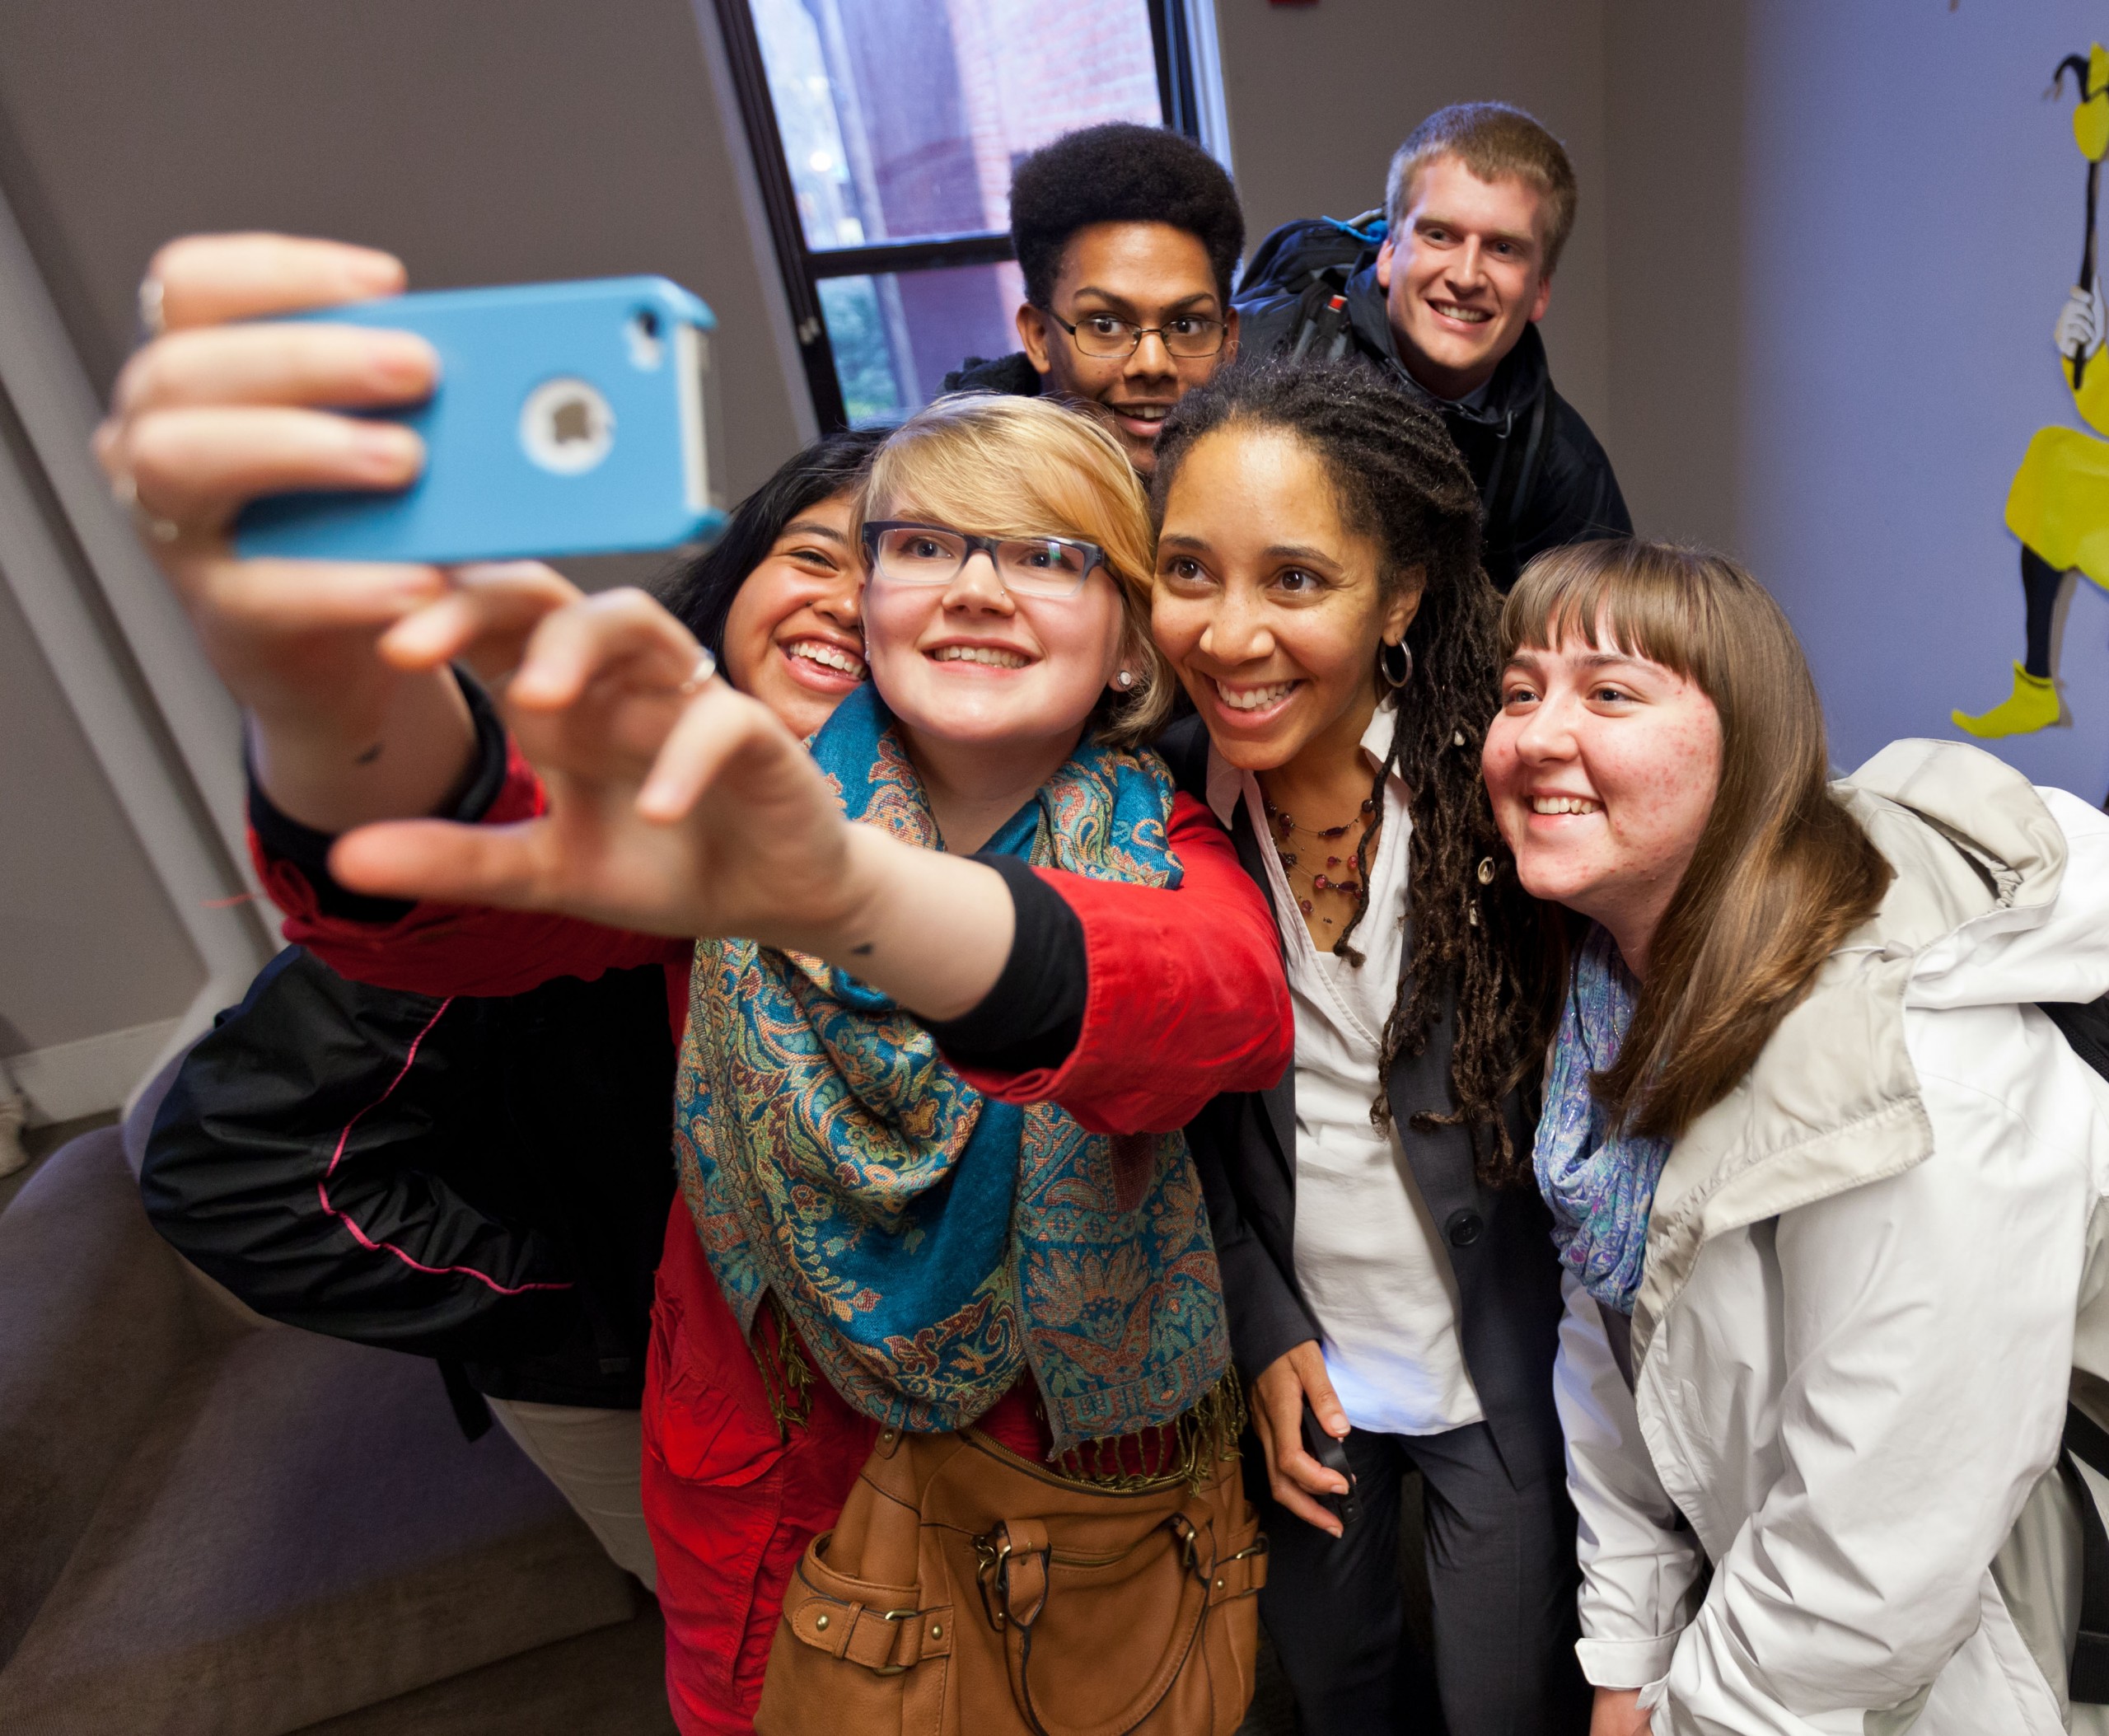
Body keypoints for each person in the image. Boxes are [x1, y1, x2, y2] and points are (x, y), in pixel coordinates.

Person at [96, 240, 1289, 1734]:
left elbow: (1210, 1002)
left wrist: (846, 901)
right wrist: (331, 688)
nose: (977, 586)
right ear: (869, 610)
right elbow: (451, 900)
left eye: (1048, 554)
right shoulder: (736, 808)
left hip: (1097, 1527)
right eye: (922, 547)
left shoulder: (1158, 837)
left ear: (1126, 640)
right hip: (784, 1516)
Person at [138, 428, 886, 1592]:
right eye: (818, 554)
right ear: (737, 575)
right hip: (622, 1368)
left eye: (903, 567)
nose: (853, 602)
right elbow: (233, 1166)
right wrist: (586, 1303)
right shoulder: (558, 817)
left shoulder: (929, 830)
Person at [1485, 537, 2109, 1734]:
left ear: (1751, 750)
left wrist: (1688, 1715)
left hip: (1969, 1668)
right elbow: (1617, 1336)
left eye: (1611, 691)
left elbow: (1878, 1554)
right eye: (1522, 690)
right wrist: (1625, 1656)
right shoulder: (1614, 1008)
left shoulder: (1911, 1065)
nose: (1536, 736)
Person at [1143, 356, 1588, 1733]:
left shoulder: (1512, 795)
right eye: (1187, 570)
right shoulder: (1155, 808)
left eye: (1292, 580)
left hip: (1499, 1365)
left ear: (1395, 595)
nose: (1226, 634)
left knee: (1501, 1696)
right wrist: (1260, 1325)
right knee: (1337, 1687)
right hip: (1309, 1367)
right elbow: (1173, 1120)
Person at [1237, 101, 1630, 590]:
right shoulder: (1251, 354)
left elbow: (1597, 651)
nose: (1466, 277)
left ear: (1541, 290)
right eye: (1439, 235)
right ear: (1388, 253)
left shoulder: (1563, 474)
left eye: (1503, 248)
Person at [942, 120, 1243, 473]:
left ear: (1229, 342)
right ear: (1038, 337)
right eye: (1106, 324)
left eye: (1187, 325)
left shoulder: (1275, 484)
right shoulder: (950, 511)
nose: (1152, 364)